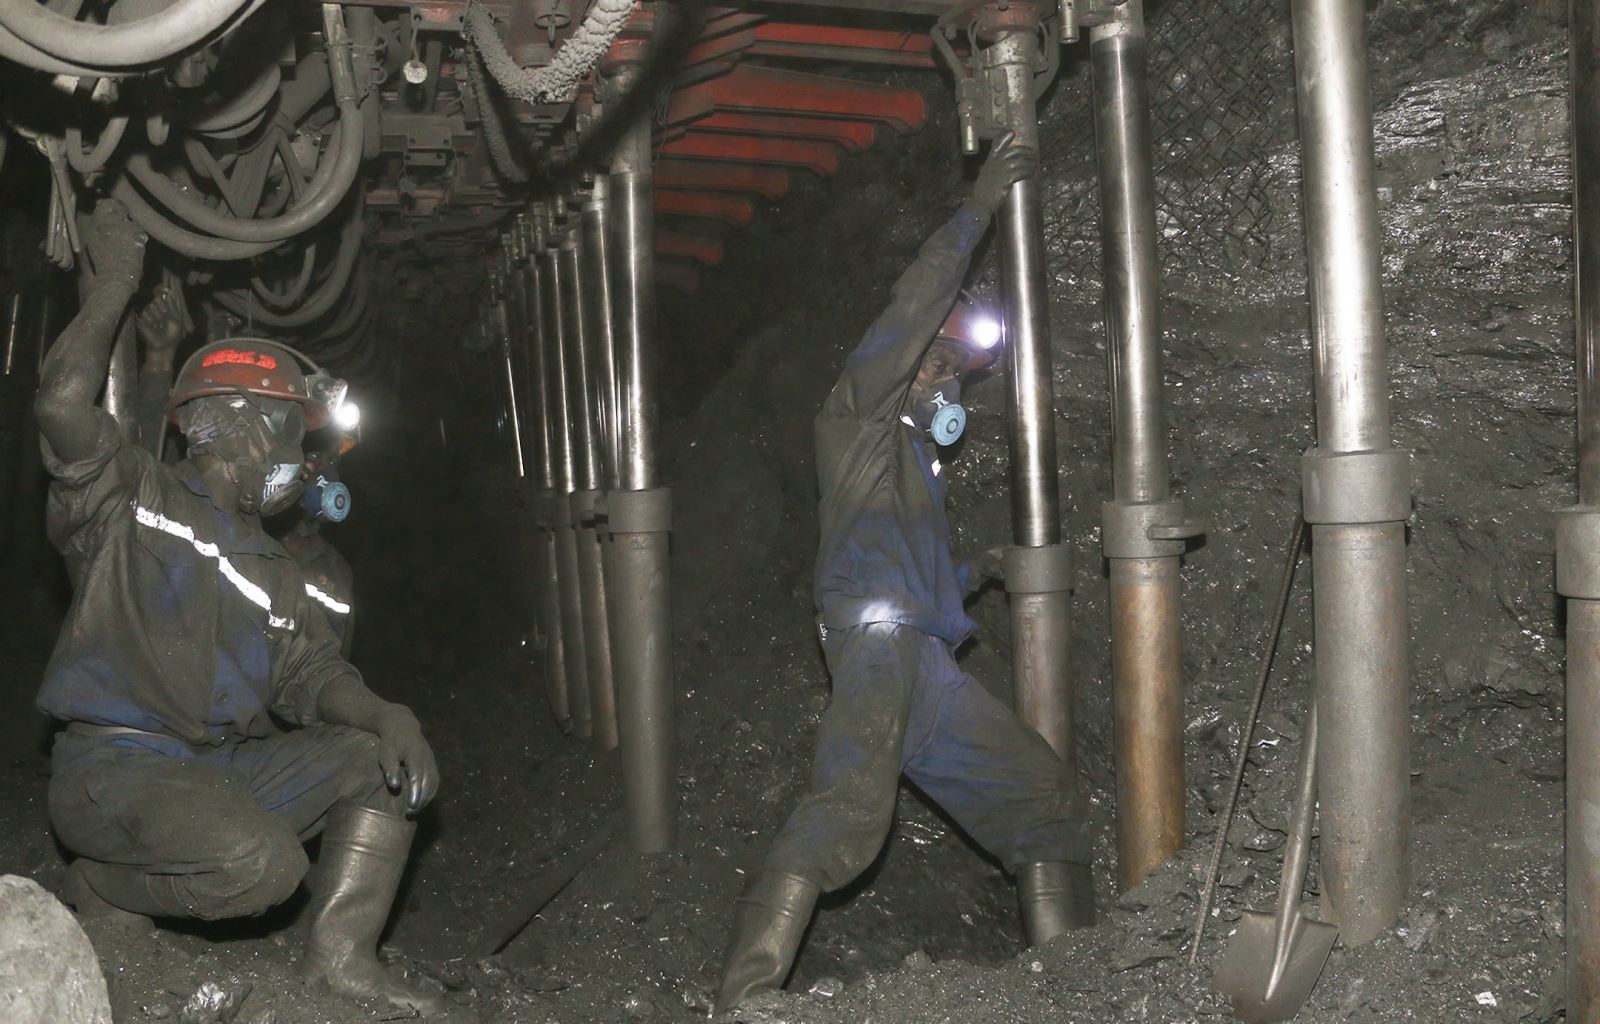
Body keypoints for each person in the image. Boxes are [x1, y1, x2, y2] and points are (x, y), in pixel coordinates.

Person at [714, 136, 1094, 1014]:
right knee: (849, 814)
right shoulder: (858, 420)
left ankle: (1074, 989)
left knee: (1040, 799)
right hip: (880, 653)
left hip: (928, 664)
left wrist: (978, 570)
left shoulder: (915, 462)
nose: (946, 379)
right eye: (938, 361)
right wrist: (978, 210)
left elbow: (900, 564)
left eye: (957, 371)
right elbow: (909, 309)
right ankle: (746, 998)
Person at [33, 200, 442, 1015]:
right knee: (264, 868)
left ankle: (342, 960)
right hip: (114, 769)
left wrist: (387, 713)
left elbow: (312, 672)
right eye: (293, 434)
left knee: (377, 762)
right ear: (246, 428)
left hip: (215, 770)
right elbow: (60, 407)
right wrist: (114, 286)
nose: (301, 460)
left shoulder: (274, 564)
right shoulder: (131, 499)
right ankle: (105, 886)